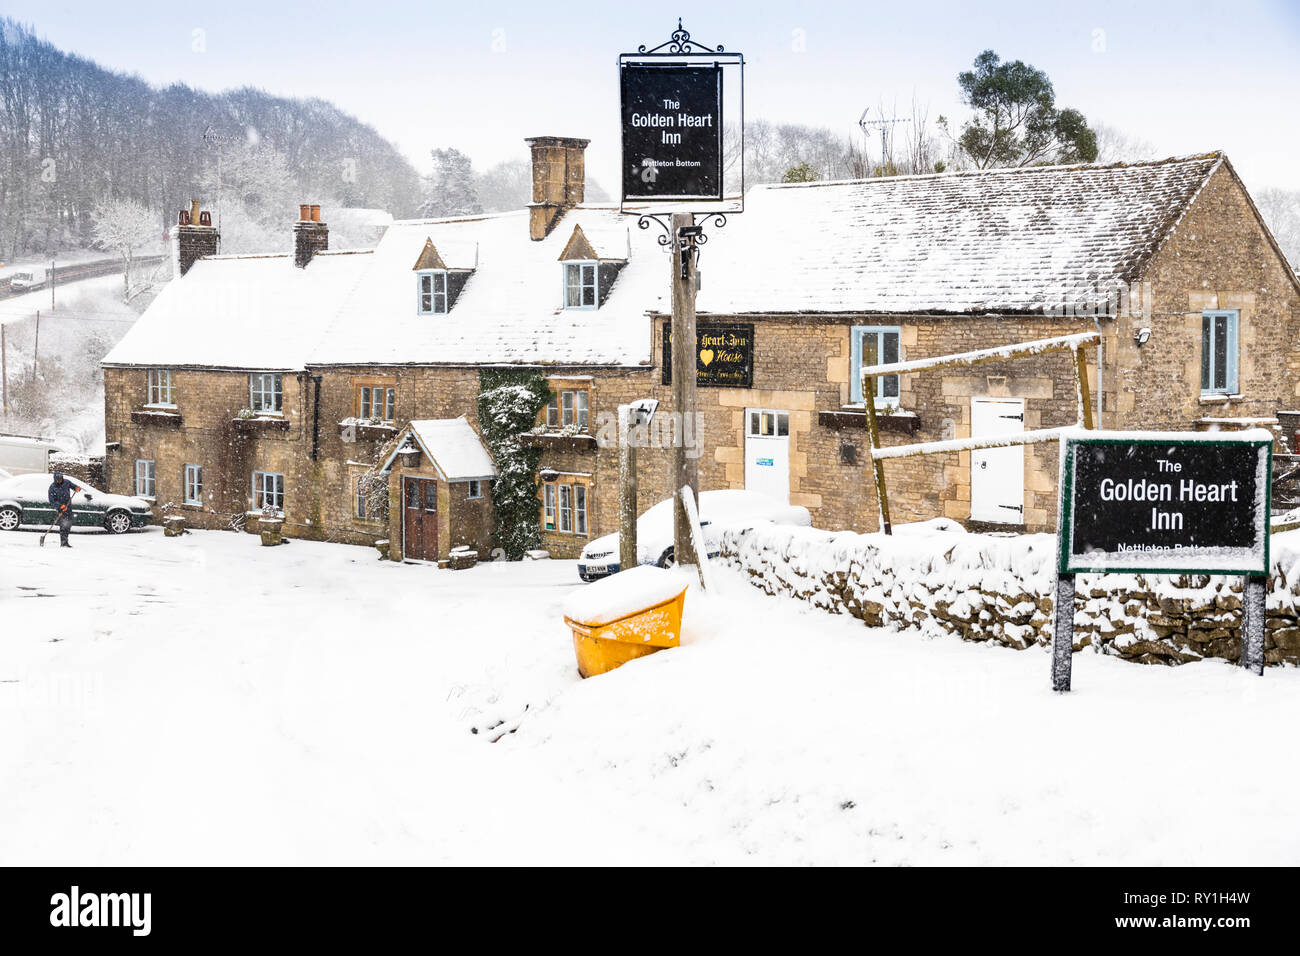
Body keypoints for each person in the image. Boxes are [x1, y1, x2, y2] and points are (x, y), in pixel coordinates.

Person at [47, 472, 75, 548]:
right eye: (58, 479)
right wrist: (60, 506)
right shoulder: (52, 488)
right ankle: (63, 542)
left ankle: (66, 541)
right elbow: (52, 501)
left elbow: (73, 486)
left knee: (68, 525)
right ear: (55, 479)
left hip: (68, 507)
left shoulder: (66, 482)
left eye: (61, 479)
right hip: (61, 509)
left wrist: (76, 488)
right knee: (63, 525)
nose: (60, 480)